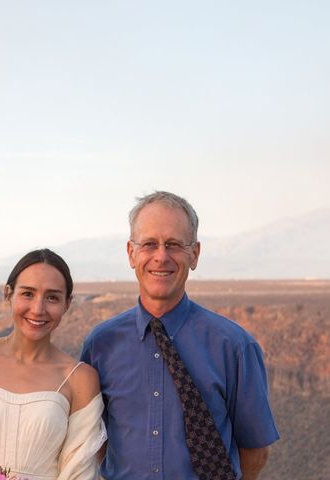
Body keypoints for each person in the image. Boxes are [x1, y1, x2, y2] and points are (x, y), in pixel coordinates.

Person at [81, 191, 279, 480]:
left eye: (173, 244)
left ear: (195, 254)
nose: (161, 256)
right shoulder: (100, 345)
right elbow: (96, 440)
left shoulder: (235, 347)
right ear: (131, 253)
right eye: (149, 244)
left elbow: (255, 451)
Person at [0, 249, 106, 480]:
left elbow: (79, 471)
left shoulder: (80, 379)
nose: (38, 309)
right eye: (28, 294)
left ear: (67, 303)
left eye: (52, 297)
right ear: (8, 293)